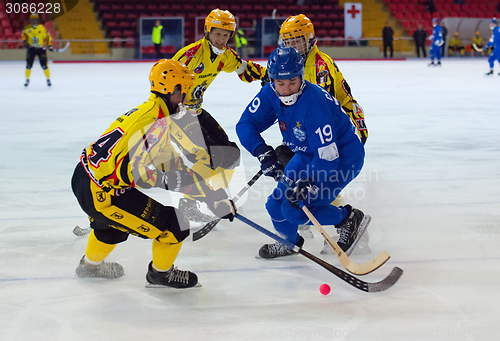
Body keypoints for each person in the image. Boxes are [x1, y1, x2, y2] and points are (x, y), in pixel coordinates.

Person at [71, 59, 237, 288]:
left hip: (84, 176)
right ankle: (161, 273)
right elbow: (138, 174)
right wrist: (198, 192)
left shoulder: (152, 112)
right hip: (103, 193)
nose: (188, 99)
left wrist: (210, 195)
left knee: (109, 229)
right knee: (174, 225)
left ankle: (89, 267)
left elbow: (168, 162)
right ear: (172, 91)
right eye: (185, 92)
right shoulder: (154, 123)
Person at [236, 47, 369, 259]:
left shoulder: (315, 106)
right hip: (307, 153)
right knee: (274, 205)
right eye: (281, 83)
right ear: (272, 81)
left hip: (343, 158)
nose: (287, 89)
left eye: (292, 82)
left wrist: (308, 181)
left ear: (301, 77)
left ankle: (349, 218)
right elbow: (245, 124)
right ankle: (290, 243)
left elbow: (328, 158)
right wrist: (263, 152)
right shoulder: (271, 92)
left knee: (294, 209)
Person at [277, 14, 368, 249]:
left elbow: (318, 114)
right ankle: (306, 221)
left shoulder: (319, 67)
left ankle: (350, 225)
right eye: (287, 41)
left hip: (343, 130)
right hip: (323, 131)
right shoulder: (295, 65)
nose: (292, 47)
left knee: (321, 180)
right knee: (300, 177)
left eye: (297, 41)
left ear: (310, 41)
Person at [172, 9, 267, 223]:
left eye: (226, 35)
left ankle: (215, 197)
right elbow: (167, 85)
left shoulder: (224, 56)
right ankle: (189, 203)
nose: (222, 39)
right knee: (205, 157)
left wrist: (270, 75)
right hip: (177, 116)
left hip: (196, 111)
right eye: (218, 34)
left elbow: (244, 69)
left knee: (231, 154)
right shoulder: (190, 55)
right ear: (207, 31)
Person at [21, 13, 53, 87]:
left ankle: (48, 79)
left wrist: (50, 45)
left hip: (40, 49)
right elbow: (23, 34)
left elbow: (48, 36)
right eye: (32, 20)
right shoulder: (27, 28)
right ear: (30, 20)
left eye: (35, 20)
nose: (34, 21)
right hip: (31, 49)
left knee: (44, 66)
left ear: (38, 20)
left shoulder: (42, 28)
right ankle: (27, 79)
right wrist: (25, 40)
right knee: (28, 65)